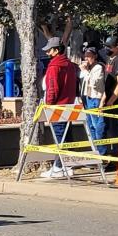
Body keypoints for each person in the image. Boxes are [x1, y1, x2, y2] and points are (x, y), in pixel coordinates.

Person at [40, 38, 80, 178]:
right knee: (67, 136)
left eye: (50, 50)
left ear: (56, 50)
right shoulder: (70, 65)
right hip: (69, 104)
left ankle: (58, 166)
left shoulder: (54, 66)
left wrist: (49, 106)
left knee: (59, 137)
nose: (47, 52)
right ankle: (67, 166)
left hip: (57, 106)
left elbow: (52, 88)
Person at [78, 45, 108, 153]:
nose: (86, 59)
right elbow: (82, 82)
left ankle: (101, 152)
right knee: (90, 126)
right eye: (85, 56)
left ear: (95, 56)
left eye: (89, 56)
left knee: (97, 126)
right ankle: (96, 151)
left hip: (95, 98)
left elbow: (95, 84)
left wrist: (85, 71)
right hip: (87, 98)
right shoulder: (88, 69)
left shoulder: (98, 67)